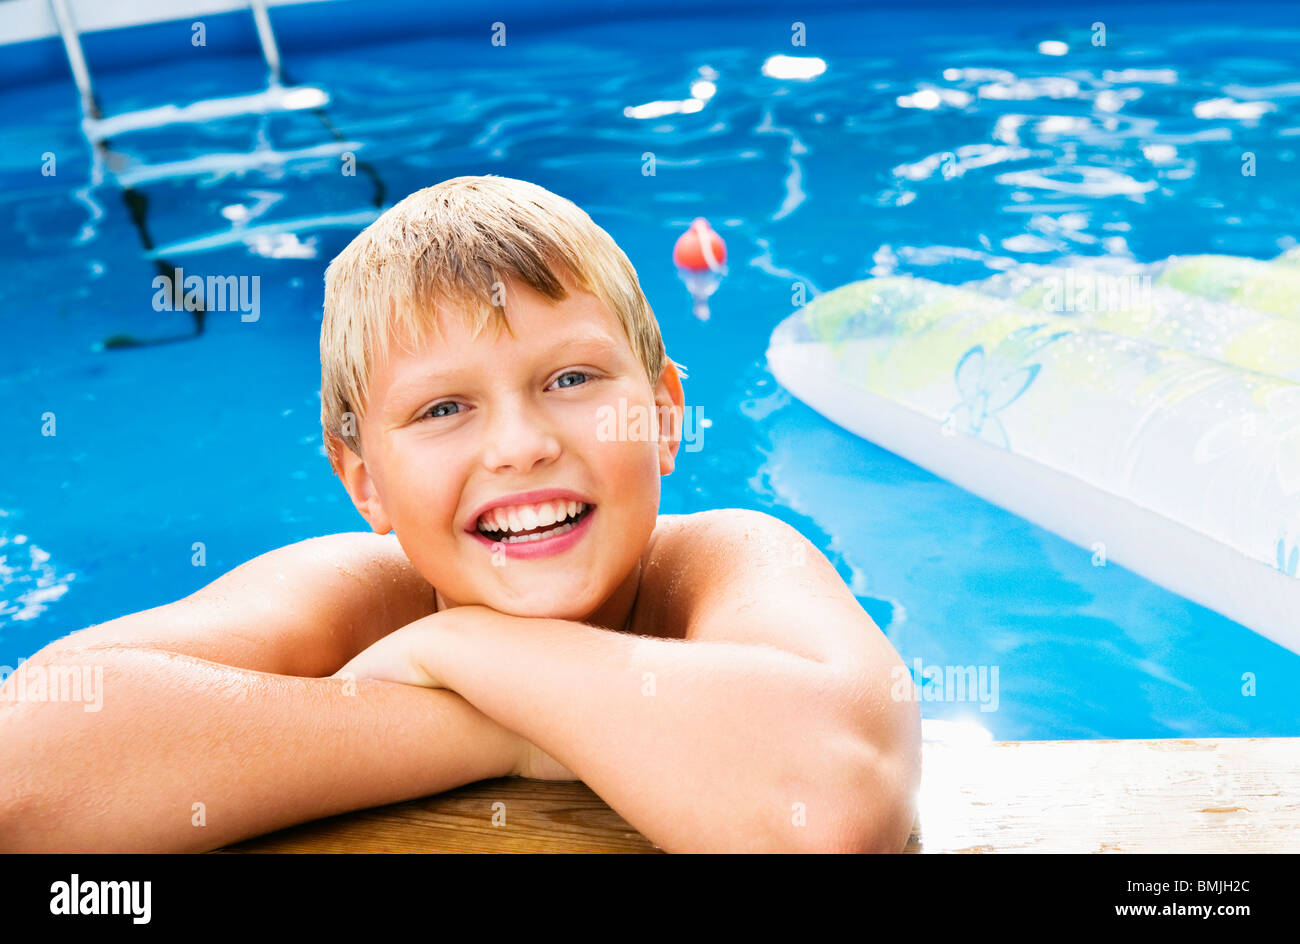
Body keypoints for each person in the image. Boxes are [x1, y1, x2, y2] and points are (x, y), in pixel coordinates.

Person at [0, 176, 919, 853]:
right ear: (365, 482)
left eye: (570, 379)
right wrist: (514, 728)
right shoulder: (353, 592)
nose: (520, 445)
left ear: (663, 415)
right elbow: (25, 769)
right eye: (443, 409)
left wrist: (458, 652)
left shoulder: (724, 561)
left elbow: (836, 810)